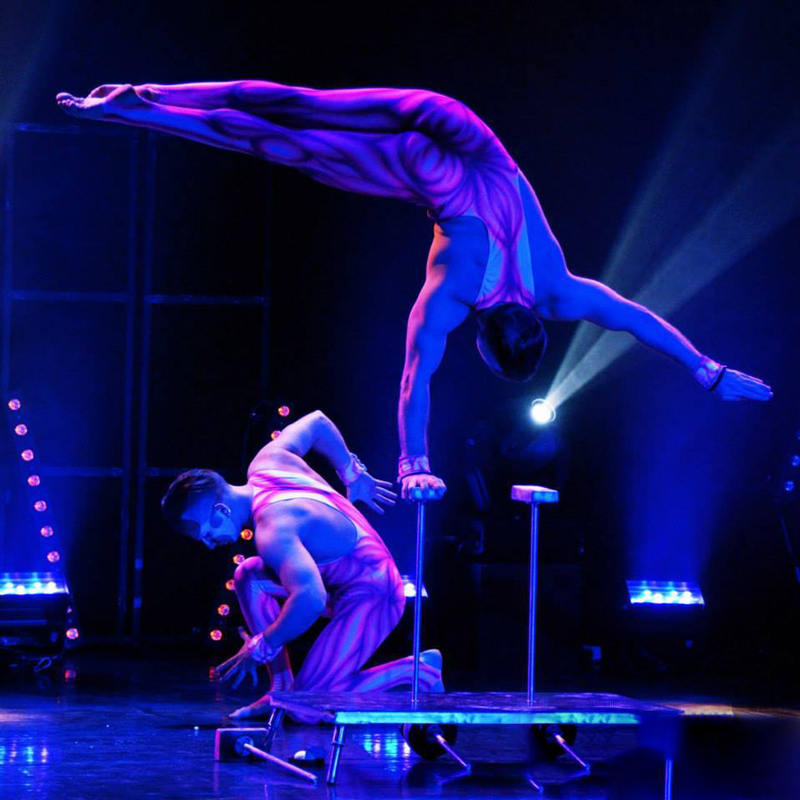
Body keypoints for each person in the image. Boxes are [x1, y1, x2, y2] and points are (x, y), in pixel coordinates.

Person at [57, 81, 773, 501]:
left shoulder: (558, 290)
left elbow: (638, 319)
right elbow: (412, 381)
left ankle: (154, 93)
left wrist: (708, 370)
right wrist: (413, 464)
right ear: (485, 347)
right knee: (284, 143)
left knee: (297, 103)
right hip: (425, 169)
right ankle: (145, 112)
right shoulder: (453, 297)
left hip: (458, 125)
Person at [160, 410, 443, 719]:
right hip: (341, 584)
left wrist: (261, 646)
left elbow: (310, 599)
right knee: (248, 576)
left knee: (306, 710)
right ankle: (280, 689)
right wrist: (351, 473)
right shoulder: (267, 462)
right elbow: (318, 422)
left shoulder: (272, 529)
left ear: (220, 511)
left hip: (375, 594)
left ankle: (418, 671)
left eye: (206, 534)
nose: (208, 544)